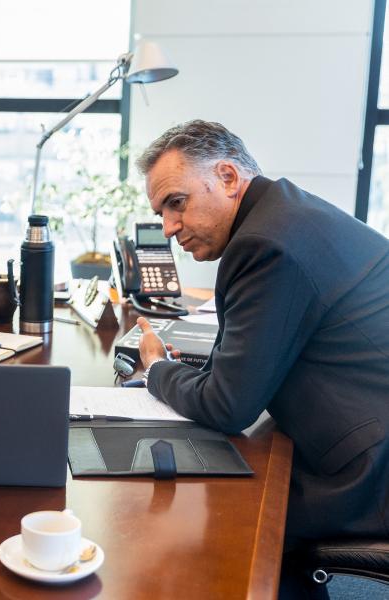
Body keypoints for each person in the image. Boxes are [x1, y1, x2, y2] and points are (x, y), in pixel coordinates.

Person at [133, 120, 389, 546]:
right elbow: (232, 372)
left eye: (177, 203)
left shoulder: (267, 244)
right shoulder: (284, 213)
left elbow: (228, 406)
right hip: (364, 428)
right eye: (161, 213)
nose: (169, 227)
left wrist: (156, 368)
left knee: (221, 516)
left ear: (228, 178)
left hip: (367, 473)